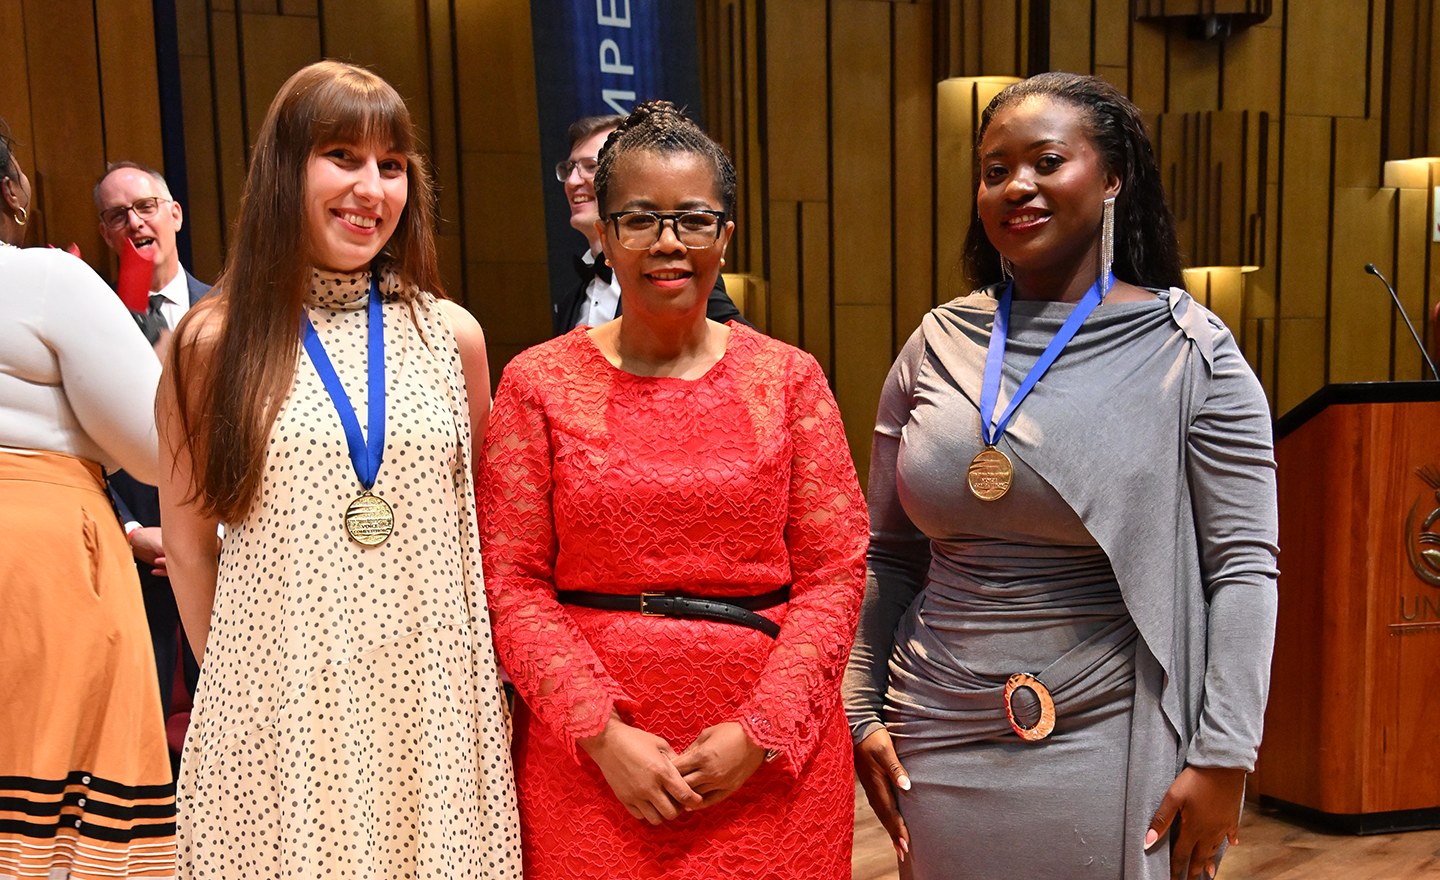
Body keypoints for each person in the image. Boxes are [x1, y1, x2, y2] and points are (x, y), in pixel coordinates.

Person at [843, 72, 1279, 880]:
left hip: (1111, 727)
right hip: (935, 728)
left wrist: (1225, 756)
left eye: (1047, 161)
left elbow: (1243, 568)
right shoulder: (936, 343)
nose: (1018, 186)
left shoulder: (1190, 353)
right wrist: (858, 703)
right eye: (995, 169)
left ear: (1112, 178)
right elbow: (886, 554)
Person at [480, 100, 867, 879]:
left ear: (726, 234)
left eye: (694, 219)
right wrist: (600, 734)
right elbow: (510, 583)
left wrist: (762, 731)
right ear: (605, 230)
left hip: (768, 764)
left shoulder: (789, 379)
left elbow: (836, 573)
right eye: (640, 220)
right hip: (591, 768)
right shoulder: (539, 383)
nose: (668, 243)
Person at [157, 61, 521, 877]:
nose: (371, 188)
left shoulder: (450, 335)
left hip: (433, 715)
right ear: (285, 168)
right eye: (343, 157)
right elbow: (188, 547)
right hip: (280, 717)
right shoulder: (211, 344)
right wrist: (248, 702)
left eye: (391, 165)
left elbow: (490, 532)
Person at [0, 123, 177, 877]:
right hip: (37, 552)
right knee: (57, 811)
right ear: (14, 187)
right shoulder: (44, 279)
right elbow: (153, 444)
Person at [96, 160, 210, 719]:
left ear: (175, 214)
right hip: (133, 562)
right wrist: (133, 530)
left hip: (224, 554)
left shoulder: (228, 314)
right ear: (104, 233)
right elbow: (78, 441)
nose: (134, 222)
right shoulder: (92, 324)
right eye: (117, 215)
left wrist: (211, 529)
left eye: (144, 207)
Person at [550, 113, 750, 336]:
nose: (572, 181)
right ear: (605, 238)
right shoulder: (572, 300)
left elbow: (749, 357)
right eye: (570, 169)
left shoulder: (681, 277)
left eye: (590, 166)